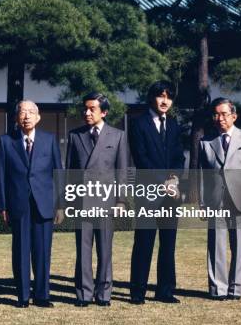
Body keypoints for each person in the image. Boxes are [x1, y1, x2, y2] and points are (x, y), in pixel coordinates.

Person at [0, 100, 62, 308]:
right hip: (18, 203)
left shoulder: (49, 140)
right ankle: (23, 296)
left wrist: (60, 204)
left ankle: (42, 295)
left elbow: (58, 173)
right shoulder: (6, 141)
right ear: (16, 118)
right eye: (22, 113)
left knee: (43, 251)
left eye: (31, 112)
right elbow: (1, 176)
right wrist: (3, 206)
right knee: (21, 250)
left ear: (38, 117)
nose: (26, 116)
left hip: (44, 203)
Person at [64, 93, 128, 307]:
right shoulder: (75, 136)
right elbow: (69, 172)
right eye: (85, 108)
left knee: (105, 249)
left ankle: (104, 294)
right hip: (81, 201)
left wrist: (121, 201)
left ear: (104, 112)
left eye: (92, 108)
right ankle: (83, 293)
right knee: (83, 250)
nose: (87, 112)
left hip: (107, 202)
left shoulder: (118, 136)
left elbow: (122, 171)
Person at [199, 97, 241, 301]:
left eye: (224, 114)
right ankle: (218, 289)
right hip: (214, 202)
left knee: (238, 246)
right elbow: (201, 175)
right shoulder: (205, 142)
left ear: (234, 116)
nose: (220, 118)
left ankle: (235, 289)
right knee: (216, 246)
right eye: (216, 114)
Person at [129, 81, 185, 305]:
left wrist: (174, 180)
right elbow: (140, 157)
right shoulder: (138, 124)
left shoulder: (173, 125)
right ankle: (137, 291)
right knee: (144, 240)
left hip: (171, 193)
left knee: (168, 242)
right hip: (148, 191)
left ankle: (165, 290)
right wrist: (162, 181)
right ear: (152, 97)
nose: (165, 101)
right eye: (161, 96)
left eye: (169, 97)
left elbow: (179, 157)